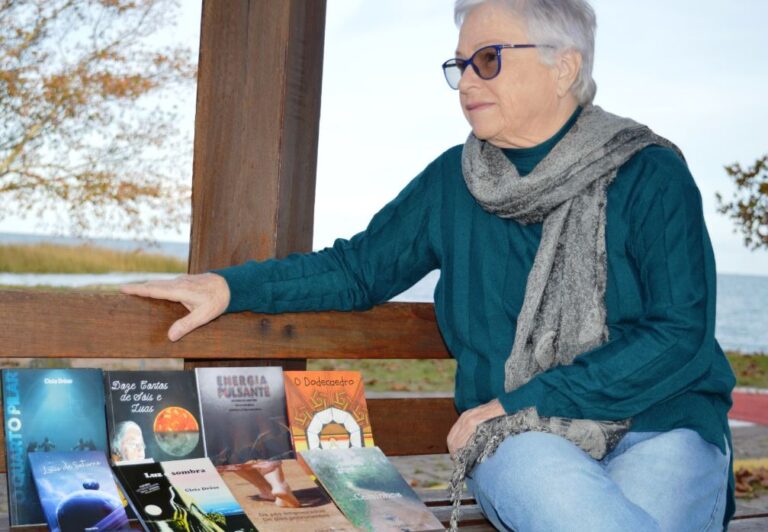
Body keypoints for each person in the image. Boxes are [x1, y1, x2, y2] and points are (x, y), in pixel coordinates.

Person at [122, 0, 735, 530]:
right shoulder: (454, 182)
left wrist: (531, 398)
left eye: (488, 59)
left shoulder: (650, 174)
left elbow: (678, 332)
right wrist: (230, 286)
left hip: (663, 426)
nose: (467, 81)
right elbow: (358, 269)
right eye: (460, 64)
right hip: (520, 444)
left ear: (564, 67)